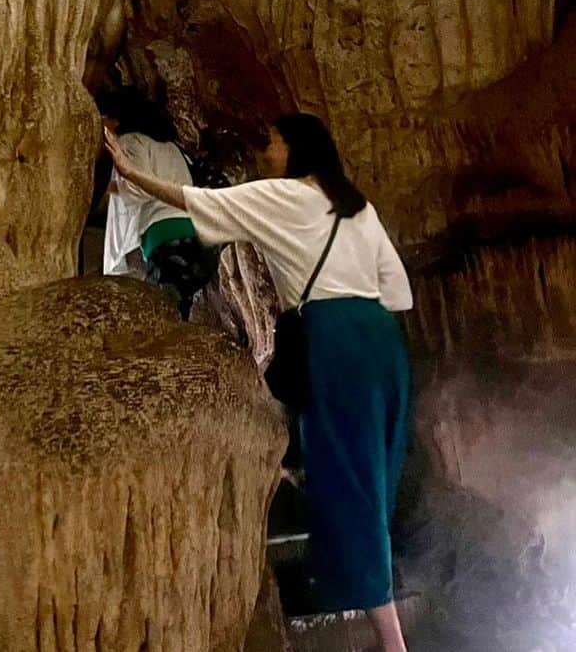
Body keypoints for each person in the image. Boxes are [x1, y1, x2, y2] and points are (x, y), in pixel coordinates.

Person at [104, 112, 413, 652]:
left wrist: (130, 171)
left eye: (269, 141)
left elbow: (196, 202)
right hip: (383, 338)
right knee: (375, 476)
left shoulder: (286, 195)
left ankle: (392, 643)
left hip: (336, 339)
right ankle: (371, 595)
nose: (264, 151)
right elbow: (397, 288)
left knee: (349, 482)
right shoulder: (356, 205)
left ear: (295, 148)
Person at [100, 87, 216, 318]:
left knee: (162, 312)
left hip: (163, 233)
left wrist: (101, 188)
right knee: (179, 309)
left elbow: (138, 186)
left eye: (104, 118)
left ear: (116, 118)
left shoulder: (130, 141)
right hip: (195, 234)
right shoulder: (171, 146)